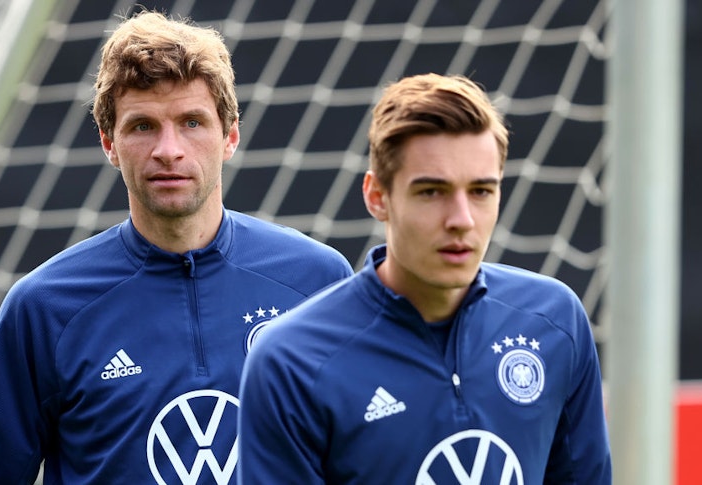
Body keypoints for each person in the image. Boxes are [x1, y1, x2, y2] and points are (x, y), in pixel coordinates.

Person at [0, 9, 353, 484]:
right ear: (109, 143)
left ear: (229, 136)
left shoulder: (317, 281)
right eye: (143, 126)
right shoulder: (43, 307)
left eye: (191, 122)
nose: (169, 149)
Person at [238, 73, 612, 484]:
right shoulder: (291, 360)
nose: (461, 220)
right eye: (432, 192)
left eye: (481, 191)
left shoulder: (555, 321)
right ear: (377, 196)